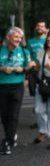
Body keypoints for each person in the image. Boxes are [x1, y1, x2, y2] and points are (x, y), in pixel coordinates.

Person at [0, 27, 30, 155]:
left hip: (17, 86)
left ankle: (8, 141)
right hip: (2, 86)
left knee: (13, 115)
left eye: (20, 37)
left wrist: (22, 70)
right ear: (8, 38)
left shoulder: (24, 51)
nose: (18, 40)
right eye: (16, 37)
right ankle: (10, 135)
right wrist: (2, 68)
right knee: (4, 116)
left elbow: (29, 66)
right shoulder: (1, 50)